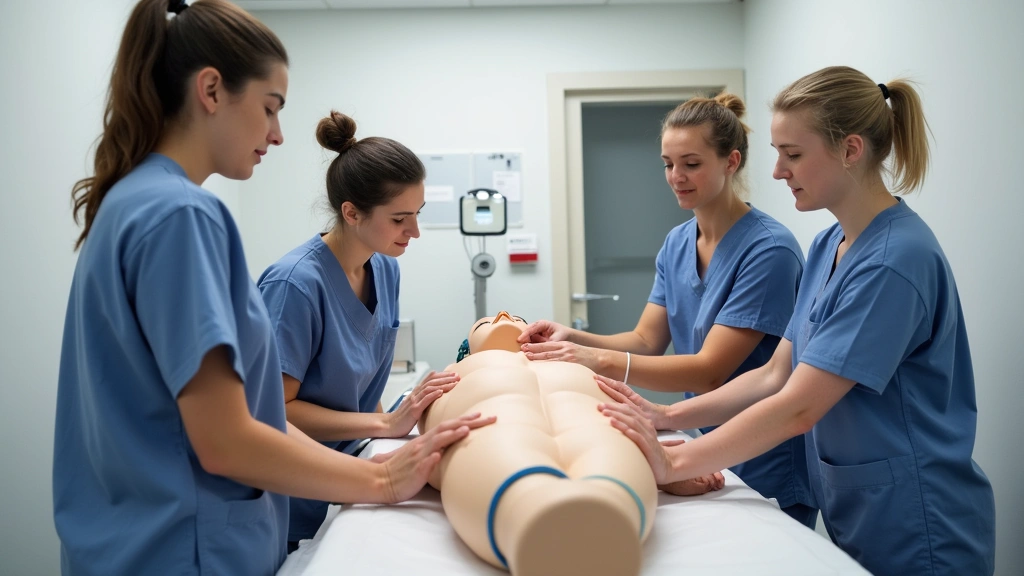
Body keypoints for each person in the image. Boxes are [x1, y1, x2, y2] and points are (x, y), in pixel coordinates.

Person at [53, 2, 492, 574]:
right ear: (211, 90)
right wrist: (383, 477)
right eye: (270, 108)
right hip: (182, 550)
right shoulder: (182, 216)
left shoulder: (132, 203)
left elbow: (237, 414)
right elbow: (226, 440)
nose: (279, 135)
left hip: (130, 543)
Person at [599, 66, 996, 575]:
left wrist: (673, 461)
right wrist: (666, 418)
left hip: (919, 522)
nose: (777, 171)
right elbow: (773, 374)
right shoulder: (830, 243)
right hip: (859, 509)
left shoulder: (894, 261)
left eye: (793, 154)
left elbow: (798, 407)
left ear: (850, 150)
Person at [517, 94, 815, 526]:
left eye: (691, 163)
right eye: (668, 164)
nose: (677, 176)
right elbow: (645, 341)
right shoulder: (678, 242)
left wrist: (595, 361)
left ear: (731, 162)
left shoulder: (768, 250)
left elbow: (709, 370)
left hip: (760, 451)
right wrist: (573, 337)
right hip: (700, 440)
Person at [257, 111, 460, 547]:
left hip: (354, 471)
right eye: (400, 218)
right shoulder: (294, 285)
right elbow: (273, 412)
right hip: (297, 491)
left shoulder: (383, 268)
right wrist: (384, 424)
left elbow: (362, 381)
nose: (416, 231)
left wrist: (388, 424)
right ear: (351, 212)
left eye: (418, 213)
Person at [419, 311, 724, 576]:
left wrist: (657, 463)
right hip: (496, 426)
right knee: (515, 480)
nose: (504, 316)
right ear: (464, 351)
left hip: (597, 424)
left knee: (611, 463)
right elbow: (430, 425)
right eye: (486, 321)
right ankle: (533, 518)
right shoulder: (454, 371)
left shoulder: (573, 359)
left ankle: (607, 511)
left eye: (519, 318)